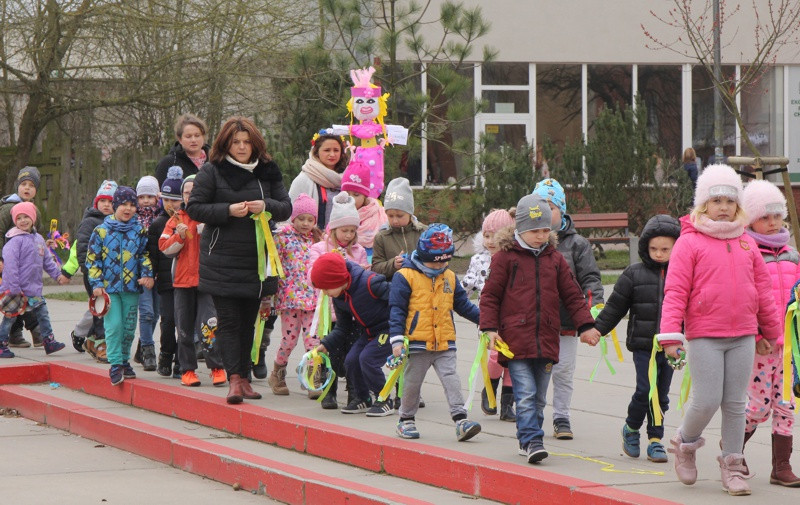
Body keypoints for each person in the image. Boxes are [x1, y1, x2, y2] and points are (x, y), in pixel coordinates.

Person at [658, 164, 780, 496]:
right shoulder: (689, 243)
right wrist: (670, 335)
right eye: (716, 200)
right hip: (705, 335)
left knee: (736, 403)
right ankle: (684, 441)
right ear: (703, 204)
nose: (723, 206)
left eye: (730, 199)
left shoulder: (746, 243)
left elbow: (763, 291)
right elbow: (676, 291)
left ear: (738, 205)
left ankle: (733, 464)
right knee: (707, 399)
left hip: (742, 334)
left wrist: (770, 332)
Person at [479, 194, 600, 464]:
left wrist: (586, 326)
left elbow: (572, 294)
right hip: (515, 341)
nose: (541, 236)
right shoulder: (504, 259)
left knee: (539, 398)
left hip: (546, 340)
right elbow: (489, 296)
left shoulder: (554, 259)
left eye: (546, 230)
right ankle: (534, 440)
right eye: (535, 230)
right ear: (520, 228)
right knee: (525, 393)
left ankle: (526, 437)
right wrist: (488, 328)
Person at [186, 116, 291, 404]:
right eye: (236, 142)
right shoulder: (212, 171)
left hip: (258, 262)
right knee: (229, 322)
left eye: (247, 142)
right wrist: (228, 210)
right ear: (226, 143)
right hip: (222, 261)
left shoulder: (268, 171)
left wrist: (265, 206)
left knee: (249, 323)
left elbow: (285, 207)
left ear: (255, 143)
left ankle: (244, 378)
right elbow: (194, 208)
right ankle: (234, 379)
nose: (242, 147)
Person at [593, 214, 681, 463]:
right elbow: (615, 307)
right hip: (643, 346)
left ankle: (655, 439)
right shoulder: (634, 273)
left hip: (671, 345)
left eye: (665, 249)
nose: (659, 254)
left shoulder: (683, 274)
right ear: (645, 246)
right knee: (645, 390)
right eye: (653, 248)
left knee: (661, 394)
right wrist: (597, 329)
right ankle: (631, 429)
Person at [389, 224, 482, 441]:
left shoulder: (448, 276)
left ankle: (461, 420)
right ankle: (406, 420)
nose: (440, 266)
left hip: (444, 342)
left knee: (452, 380)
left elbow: (462, 304)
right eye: (435, 262)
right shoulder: (405, 276)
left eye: (445, 261)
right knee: (412, 384)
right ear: (422, 255)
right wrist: (396, 340)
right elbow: (396, 310)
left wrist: (485, 321)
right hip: (417, 342)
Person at [532, 178, 604, 440]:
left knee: (563, 371)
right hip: (535, 322)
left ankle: (562, 416)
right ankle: (533, 415)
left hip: (565, 320)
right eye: (539, 206)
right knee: (537, 371)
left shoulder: (577, 245)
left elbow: (591, 279)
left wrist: (593, 306)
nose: (544, 212)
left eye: (550, 206)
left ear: (561, 210)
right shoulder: (530, 241)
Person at [740, 179, 800, 486]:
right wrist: (756, 335)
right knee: (758, 406)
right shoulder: (747, 251)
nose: (773, 221)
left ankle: (781, 466)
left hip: (788, 346)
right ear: (750, 219)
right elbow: (744, 298)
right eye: (764, 217)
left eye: (777, 214)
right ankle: (734, 449)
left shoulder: (792, 253)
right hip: (760, 345)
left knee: (786, 405)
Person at [160, 172, 226, 388]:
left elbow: (223, 246)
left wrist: (207, 233)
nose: (190, 195)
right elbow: (165, 249)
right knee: (185, 329)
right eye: (187, 192)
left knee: (210, 325)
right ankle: (187, 370)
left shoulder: (211, 217)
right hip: (181, 282)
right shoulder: (175, 219)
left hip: (207, 281)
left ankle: (217, 367)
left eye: (194, 191)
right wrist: (179, 235)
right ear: (183, 196)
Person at [311, 253, 394, 416]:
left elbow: (399, 298)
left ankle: (384, 399)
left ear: (338, 280)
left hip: (389, 328)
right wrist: (326, 344)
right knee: (351, 360)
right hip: (368, 331)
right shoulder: (339, 297)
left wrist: (404, 325)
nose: (325, 293)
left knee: (368, 359)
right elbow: (343, 327)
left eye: (326, 288)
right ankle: (363, 398)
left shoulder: (370, 283)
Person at [86, 186, 155, 385]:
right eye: (124, 204)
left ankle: (125, 360)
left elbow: (144, 255)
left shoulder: (139, 231)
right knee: (114, 326)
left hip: (132, 289)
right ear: (116, 205)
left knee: (128, 327)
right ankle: (115, 364)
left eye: (133, 205)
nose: (128, 209)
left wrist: (147, 274)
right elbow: (93, 259)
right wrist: (97, 283)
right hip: (109, 290)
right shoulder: (101, 231)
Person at [461, 208, 517, 422]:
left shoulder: (514, 259)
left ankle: (507, 405)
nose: (490, 240)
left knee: (513, 359)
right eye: (486, 235)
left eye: (495, 235)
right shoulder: (478, 260)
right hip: (490, 320)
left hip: (514, 318)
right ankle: (490, 387)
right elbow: (465, 286)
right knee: (494, 357)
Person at [268, 193, 321, 397]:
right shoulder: (283, 238)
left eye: (310, 219)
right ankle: (277, 373)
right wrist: (269, 297)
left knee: (312, 341)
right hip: (289, 299)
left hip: (312, 298)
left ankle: (312, 376)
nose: (306, 223)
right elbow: (272, 266)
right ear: (293, 218)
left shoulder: (318, 239)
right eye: (301, 219)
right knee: (289, 340)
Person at [0, 202, 69, 358]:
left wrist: (57, 275)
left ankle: (48, 341)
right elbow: (10, 266)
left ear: (33, 218)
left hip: (33, 288)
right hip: (16, 290)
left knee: (42, 313)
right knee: (10, 318)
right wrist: (14, 288)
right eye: (19, 218)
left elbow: (47, 262)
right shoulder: (14, 241)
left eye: (26, 217)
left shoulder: (38, 239)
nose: (23, 221)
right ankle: (1, 344)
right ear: (14, 221)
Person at [68, 180, 117, 362]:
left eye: (110, 201)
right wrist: (86, 269)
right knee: (101, 309)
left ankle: (90, 339)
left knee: (106, 310)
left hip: (113, 275)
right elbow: (82, 247)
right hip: (94, 274)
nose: (106, 205)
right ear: (96, 202)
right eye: (102, 201)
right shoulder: (90, 222)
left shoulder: (117, 222)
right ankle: (101, 344)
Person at [0, 166, 46, 348]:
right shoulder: (8, 209)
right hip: (9, 263)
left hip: (27, 265)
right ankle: (33, 332)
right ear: (18, 186)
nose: (27, 188)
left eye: (31, 185)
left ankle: (16, 334)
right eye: (23, 184)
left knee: (23, 296)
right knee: (16, 297)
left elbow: (37, 235)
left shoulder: (35, 211)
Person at [151, 168, 183, 378]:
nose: (171, 205)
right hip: (165, 282)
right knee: (168, 320)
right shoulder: (157, 224)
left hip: (185, 280)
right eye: (167, 200)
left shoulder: (187, 222)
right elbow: (152, 253)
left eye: (176, 200)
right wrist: (152, 274)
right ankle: (165, 354)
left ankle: (181, 360)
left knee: (185, 323)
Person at [289, 133, 348, 230]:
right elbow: (290, 213)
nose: (332, 154)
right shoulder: (305, 178)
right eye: (327, 150)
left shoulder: (347, 178)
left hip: (341, 239)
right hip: (311, 239)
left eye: (336, 150)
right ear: (316, 152)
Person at [371, 177, 427, 281]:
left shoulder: (423, 232)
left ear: (410, 213)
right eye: (390, 216)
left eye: (400, 216)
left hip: (422, 288)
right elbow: (375, 268)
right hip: (393, 289)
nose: (395, 221)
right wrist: (393, 264)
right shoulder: (382, 237)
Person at [134, 175, 161, 371]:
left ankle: (141, 348)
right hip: (142, 273)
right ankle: (149, 351)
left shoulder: (161, 217)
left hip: (159, 271)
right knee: (147, 312)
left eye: (149, 197)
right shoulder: (134, 219)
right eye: (141, 197)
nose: (145, 201)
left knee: (157, 312)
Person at [340, 159, 387, 262]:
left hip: (375, 261)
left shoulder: (379, 214)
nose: (351, 198)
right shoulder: (338, 214)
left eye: (356, 195)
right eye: (347, 194)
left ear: (365, 195)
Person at [155, 113, 210, 187]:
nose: (193, 140)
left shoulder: (216, 160)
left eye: (197, 135)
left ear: (203, 137)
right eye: (188, 136)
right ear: (180, 139)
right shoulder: (168, 163)